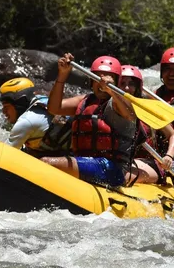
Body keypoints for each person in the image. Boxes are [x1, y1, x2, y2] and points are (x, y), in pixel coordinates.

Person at [42, 54, 151, 187]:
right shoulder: (85, 101)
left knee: (47, 162)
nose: (102, 82)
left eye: (108, 78)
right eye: (97, 77)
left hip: (112, 169)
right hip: (84, 162)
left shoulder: (119, 103)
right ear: (91, 81)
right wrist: (62, 75)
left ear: (117, 82)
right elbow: (54, 108)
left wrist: (112, 90)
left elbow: (131, 115)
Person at [118, 64, 174, 182]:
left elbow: (173, 136)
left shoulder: (148, 109)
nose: (126, 88)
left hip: (148, 163)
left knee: (120, 173)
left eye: (131, 84)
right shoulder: (107, 108)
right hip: (121, 159)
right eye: (122, 83)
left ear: (137, 87)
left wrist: (169, 156)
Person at [0, 77, 71, 156]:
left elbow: (4, 155)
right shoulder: (40, 99)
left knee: (44, 160)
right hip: (68, 149)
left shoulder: (26, 121)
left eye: (6, 107)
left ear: (20, 103)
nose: (3, 111)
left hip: (75, 155)